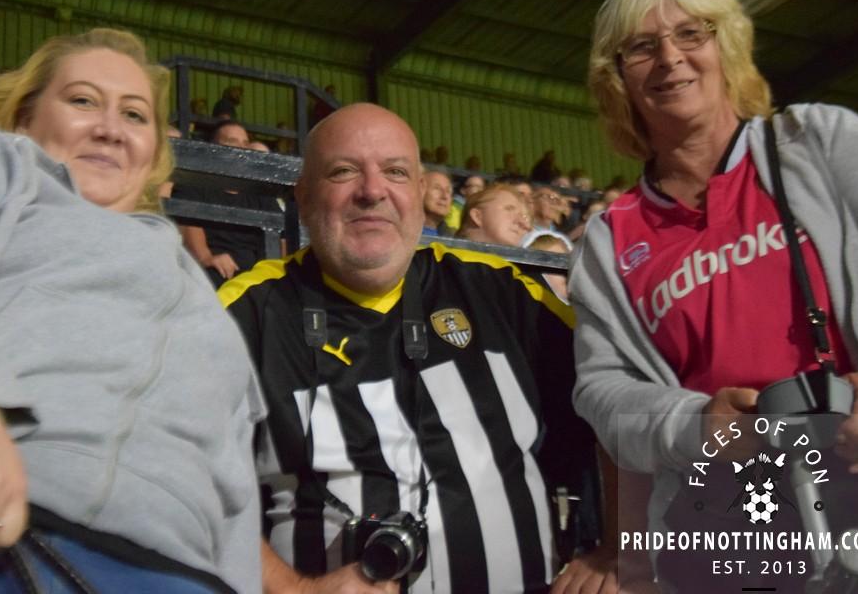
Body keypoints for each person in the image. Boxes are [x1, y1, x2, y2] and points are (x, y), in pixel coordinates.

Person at [0, 28, 264, 593]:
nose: (110, 129)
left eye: (134, 115)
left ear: (154, 151)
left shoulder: (203, 299)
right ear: (23, 119)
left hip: (169, 573)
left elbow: (234, 489)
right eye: (83, 101)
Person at [570, 0, 858, 591]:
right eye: (642, 47)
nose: (670, 58)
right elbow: (603, 390)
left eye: (690, 33)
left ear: (726, 45)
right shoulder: (611, 238)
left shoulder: (817, 139)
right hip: (734, 521)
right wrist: (698, 426)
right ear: (617, 78)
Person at [219, 103, 603, 594]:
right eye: (343, 171)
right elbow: (172, 470)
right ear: (304, 196)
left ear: (419, 195)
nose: (372, 190)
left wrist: (620, 547)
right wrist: (294, 588)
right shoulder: (247, 314)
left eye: (395, 172)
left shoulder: (498, 293)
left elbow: (617, 398)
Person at [173, 119, 283, 286]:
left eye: (245, 143)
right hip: (216, 271)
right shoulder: (194, 185)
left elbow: (281, 237)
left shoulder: (260, 192)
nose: (241, 149)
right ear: (214, 148)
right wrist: (206, 258)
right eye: (232, 142)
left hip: (258, 275)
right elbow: (188, 225)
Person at [455, 184, 531, 248]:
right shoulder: (448, 259)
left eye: (523, 217)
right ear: (477, 216)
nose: (525, 225)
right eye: (509, 209)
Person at [420, 167, 452, 236]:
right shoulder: (400, 232)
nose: (444, 196)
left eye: (448, 191)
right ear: (419, 191)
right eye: (437, 188)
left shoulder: (454, 239)